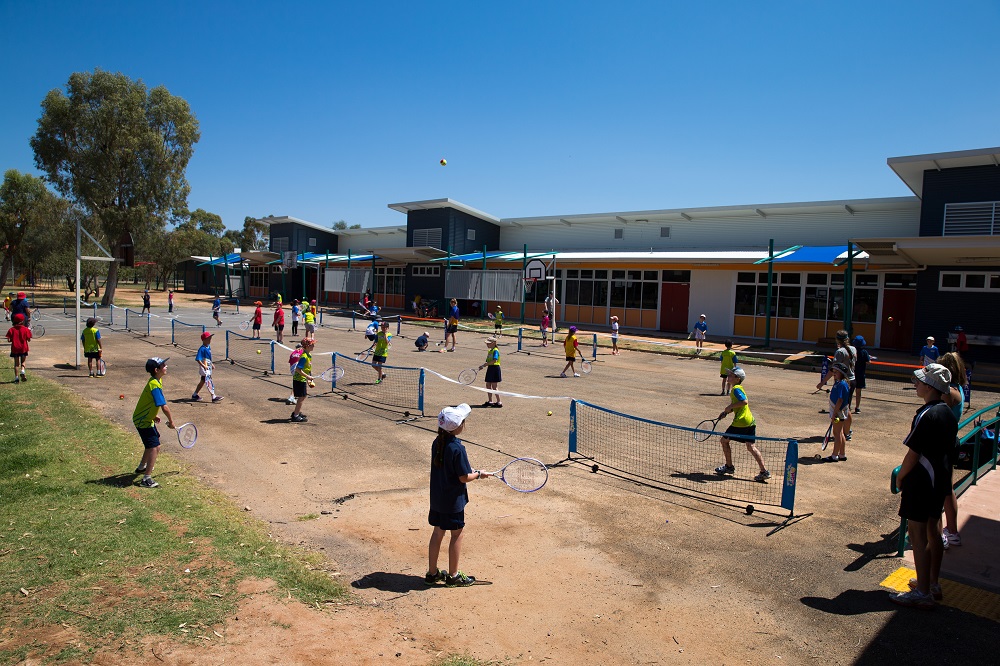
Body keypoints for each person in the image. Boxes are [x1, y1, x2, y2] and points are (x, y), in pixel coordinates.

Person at [891, 363, 957, 609]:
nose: (916, 384)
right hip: (939, 480)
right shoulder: (947, 412)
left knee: (918, 535)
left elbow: (913, 453)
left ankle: (922, 592)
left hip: (921, 482)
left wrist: (900, 477)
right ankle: (932, 583)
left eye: (920, 381)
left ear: (930, 387)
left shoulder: (926, 414)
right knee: (934, 530)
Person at [425, 403, 492, 588]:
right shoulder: (457, 448)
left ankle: (432, 573)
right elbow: (463, 477)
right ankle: (453, 576)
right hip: (452, 502)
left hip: (437, 499)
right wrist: (479, 474)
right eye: (463, 421)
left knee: (438, 532)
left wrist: (474, 471)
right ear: (458, 426)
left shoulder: (437, 442)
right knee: (457, 535)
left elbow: (452, 469)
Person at [714, 367, 770, 482]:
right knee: (751, 446)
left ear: (737, 379)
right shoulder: (738, 388)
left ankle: (729, 467)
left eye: (731, 375)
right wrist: (726, 412)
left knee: (724, 441)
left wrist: (729, 407)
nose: (728, 376)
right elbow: (737, 404)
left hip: (741, 423)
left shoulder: (736, 389)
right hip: (750, 421)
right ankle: (764, 471)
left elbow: (744, 402)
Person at [132, 357, 176, 488]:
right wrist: (171, 422)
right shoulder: (154, 385)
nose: (166, 366)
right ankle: (146, 478)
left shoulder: (156, 380)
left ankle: (141, 467)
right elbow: (164, 407)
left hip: (146, 418)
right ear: (157, 370)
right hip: (142, 421)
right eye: (163, 365)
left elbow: (148, 402)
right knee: (155, 447)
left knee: (153, 441)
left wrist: (153, 415)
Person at [938, 352, 967, 550]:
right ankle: (952, 532)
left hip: (943, 446)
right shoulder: (957, 389)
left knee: (939, 491)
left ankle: (941, 535)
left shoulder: (949, 392)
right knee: (947, 490)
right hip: (948, 443)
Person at [823, 362, 851, 462]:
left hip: (838, 412)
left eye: (836, 372)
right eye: (833, 371)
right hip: (837, 411)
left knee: (837, 433)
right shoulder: (838, 382)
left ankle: (834, 456)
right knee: (840, 433)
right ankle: (842, 454)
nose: (834, 374)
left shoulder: (842, 384)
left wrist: (834, 413)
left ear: (842, 373)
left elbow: (840, 400)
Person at [192, 331, 224, 402]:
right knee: (208, 380)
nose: (210, 340)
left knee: (203, 380)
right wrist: (204, 366)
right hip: (205, 368)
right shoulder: (202, 349)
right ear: (204, 340)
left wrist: (211, 364)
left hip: (208, 366)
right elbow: (198, 359)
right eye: (208, 338)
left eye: (210, 338)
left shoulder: (208, 347)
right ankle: (213, 396)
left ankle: (195, 394)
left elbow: (208, 358)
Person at [290, 338, 315, 422]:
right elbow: (298, 369)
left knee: (303, 397)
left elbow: (307, 369)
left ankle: (296, 412)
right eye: (312, 344)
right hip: (299, 379)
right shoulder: (304, 357)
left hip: (303, 379)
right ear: (307, 346)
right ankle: (295, 415)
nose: (314, 346)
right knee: (302, 397)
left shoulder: (309, 355)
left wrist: (309, 379)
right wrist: (307, 377)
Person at [5, 313, 32, 383]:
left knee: (16, 363)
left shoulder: (11, 329)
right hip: (23, 348)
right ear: (22, 321)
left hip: (15, 348)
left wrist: (12, 339)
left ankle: (16, 378)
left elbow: (8, 340)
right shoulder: (26, 329)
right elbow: (28, 339)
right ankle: (22, 370)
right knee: (23, 361)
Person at [479, 337, 503, 407]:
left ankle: (499, 402)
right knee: (488, 385)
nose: (487, 344)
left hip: (495, 368)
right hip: (490, 368)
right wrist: (483, 366)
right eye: (487, 343)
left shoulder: (495, 350)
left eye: (489, 343)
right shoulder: (490, 351)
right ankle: (490, 401)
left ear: (494, 343)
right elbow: (488, 361)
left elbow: (494, 360)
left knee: (494, 386)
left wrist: (484, 365)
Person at [852, 335, 871, 413]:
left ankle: (847, 406)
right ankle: (857, 407)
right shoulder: (864, 352)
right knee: (858, 391)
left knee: (849, 390)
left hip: (852, 373)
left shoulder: (852, 351)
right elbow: (868, 361)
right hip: (860, 374)